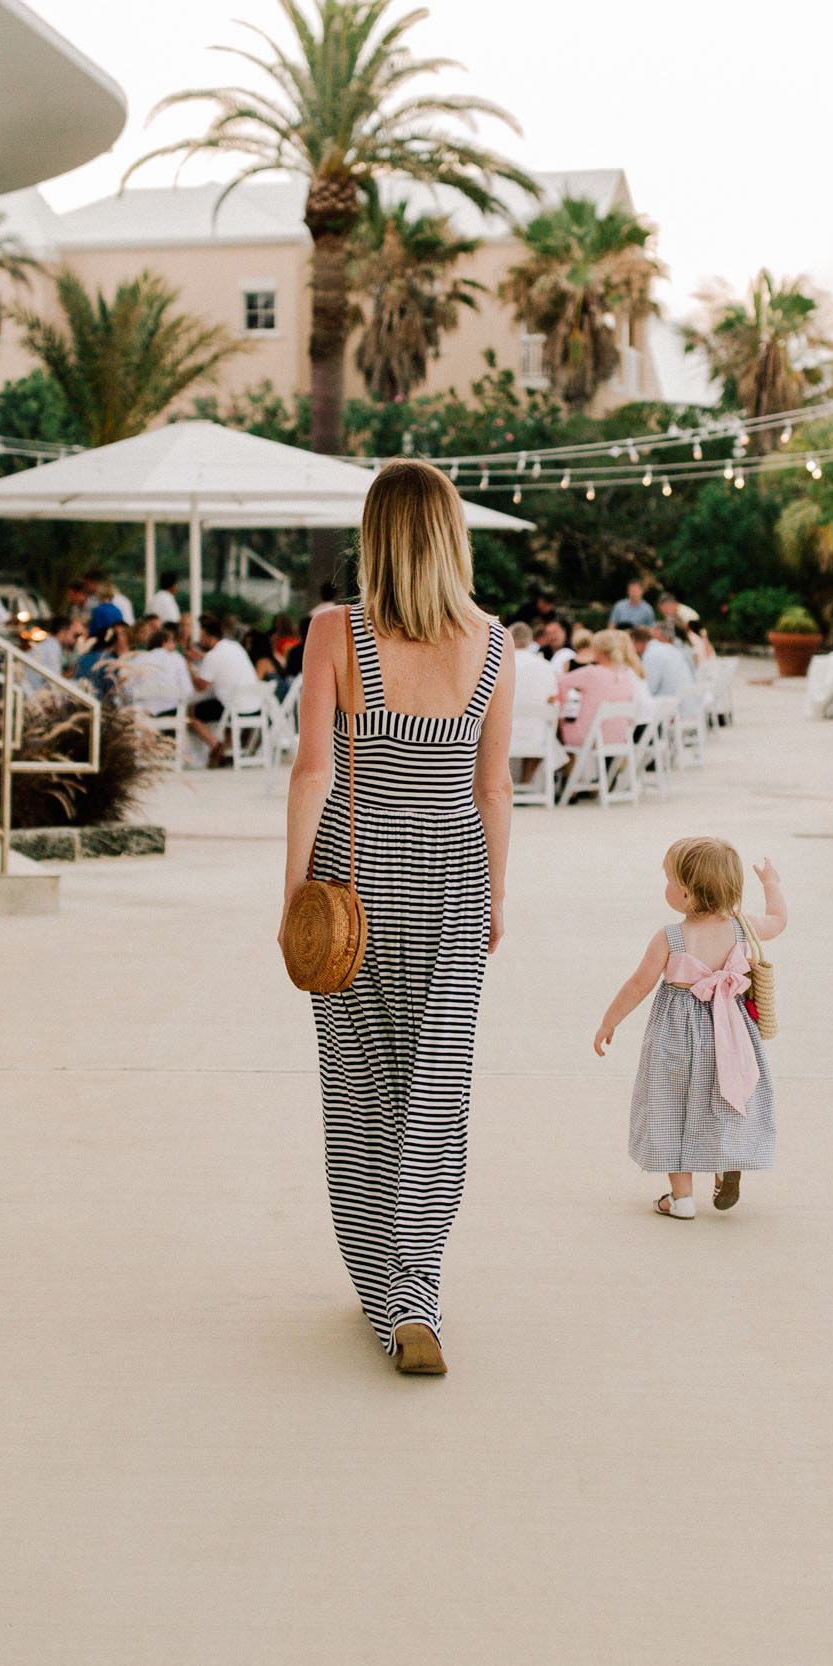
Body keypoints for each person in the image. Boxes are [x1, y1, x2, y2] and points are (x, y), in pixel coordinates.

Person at [281, 460, 512, 1376]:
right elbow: (494, 786)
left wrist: (291, 894)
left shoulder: (337, 630)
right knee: (435, 1096)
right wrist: (496, 894)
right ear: (452, 534)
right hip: (455, 887)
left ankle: (387, 1288)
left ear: (373, 534)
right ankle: (418, 1290)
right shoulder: (494, 641)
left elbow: (310, 773)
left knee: (362, 1093)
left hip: (352, 892)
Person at [594, 834, 788, 1220]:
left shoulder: (671, 937)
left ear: (685, 894)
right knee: (721, 1098)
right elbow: (779, 922)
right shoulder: (742, 927)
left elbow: (639, 984)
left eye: (669, 879)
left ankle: (681, 1198)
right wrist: (771, 884)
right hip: (729, 1032)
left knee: (670, 1106)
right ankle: (723, 1165)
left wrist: (609, 1020)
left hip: (676, 1037)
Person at [190, 609, 264, 763]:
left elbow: (201, 686)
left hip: (233, 709)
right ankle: (223, 749)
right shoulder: (235, 647)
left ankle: (216, 745)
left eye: (202, 635)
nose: (200, 639)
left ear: (209, 637)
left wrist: (188, 667)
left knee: (192, 713)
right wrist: (202, 656)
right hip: (255, 706)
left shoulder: (212, 656)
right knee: (219, 705)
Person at [556, 627, 636, 757]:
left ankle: (565, 774)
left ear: (597, 650)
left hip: (591, 737)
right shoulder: (625, 675)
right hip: (618, 737)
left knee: (556, 728)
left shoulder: (592, 673)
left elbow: (560, 680)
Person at [632, 623, 695, 700]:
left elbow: (649, 688)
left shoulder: (651, 654)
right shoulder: (670, 648)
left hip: (672, 705)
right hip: (689, 700)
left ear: (634, 640)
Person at [509, 618, 558, 715]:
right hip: (538, 727)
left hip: (506, 726)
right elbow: (552, 700)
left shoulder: (501, 663)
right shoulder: (546, 666)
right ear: (530, 640)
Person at [24, 616, 85, 690]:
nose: (77, 640)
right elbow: (53, 684)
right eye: (75, 636)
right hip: (32, 694)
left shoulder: (49, 645)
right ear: (62, 632)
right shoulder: (52, 648)